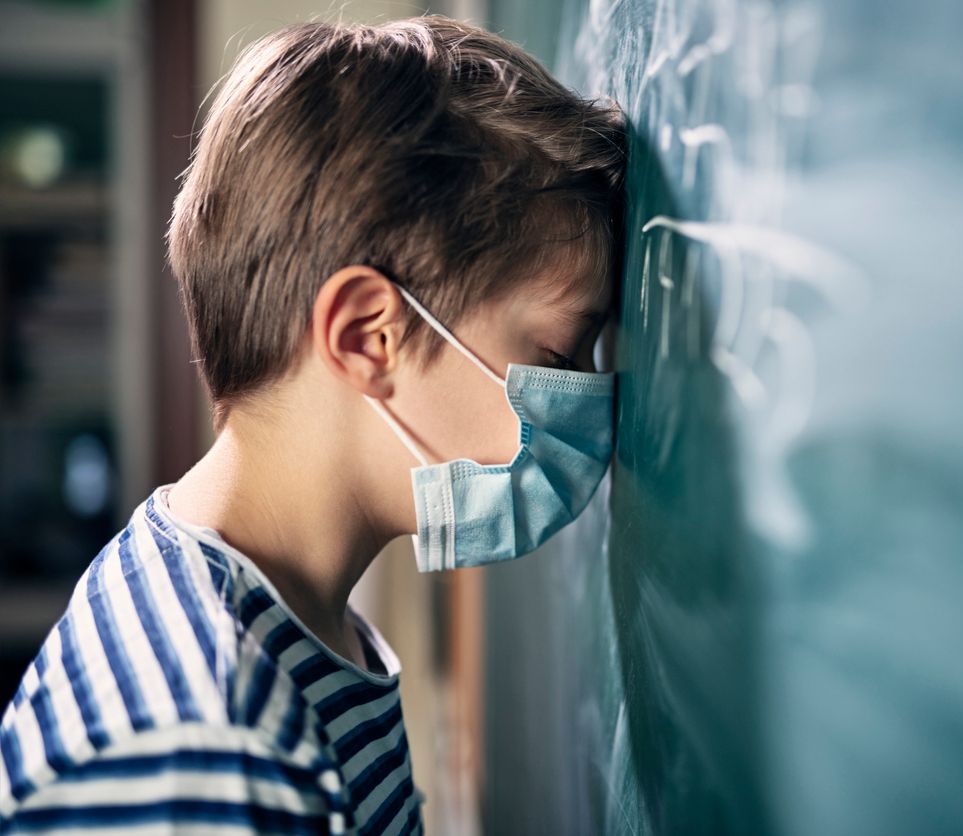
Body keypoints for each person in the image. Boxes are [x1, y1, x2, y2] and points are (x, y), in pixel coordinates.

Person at [0, 14, 626, 834]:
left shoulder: (290, 623)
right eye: (559, 351)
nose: (587, 395)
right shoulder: (206, 749)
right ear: (370, 338)